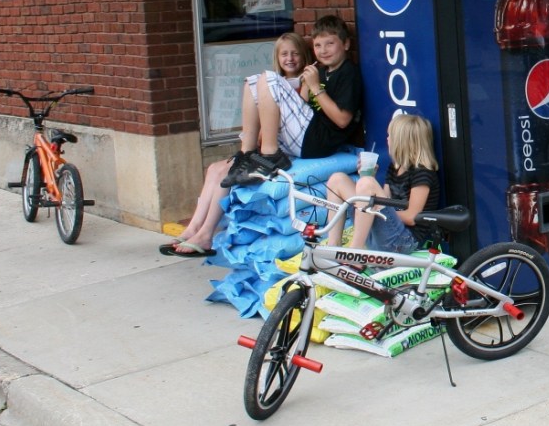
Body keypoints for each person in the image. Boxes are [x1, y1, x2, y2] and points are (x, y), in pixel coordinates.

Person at [161, 32, 308, 257]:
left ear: (304, 56)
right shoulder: (266, 86)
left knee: (224, 173)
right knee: (214, 168)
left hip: (286, 148)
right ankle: (193, 228)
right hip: (262, 146)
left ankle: (206, 234)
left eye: (295, 53)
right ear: (276, 57)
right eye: (284, 54)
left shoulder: (299, 82)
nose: (290, 58)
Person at [221, 13, 363, 187]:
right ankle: (247, 153)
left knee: (269, 78)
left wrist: (316, 88)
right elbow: (303, 106)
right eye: (318, 45)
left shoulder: (348, 72)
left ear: (346, 44)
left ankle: (270, 154)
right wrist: (306, 86)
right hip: (305, 135)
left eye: (330, 44)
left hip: (318, 141)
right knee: (252, 82)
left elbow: (342, 120)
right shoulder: (321, 71)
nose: (323, 50)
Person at [324, 112, 440, 254]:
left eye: (390, 136)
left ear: (401, 141)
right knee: (337, 180)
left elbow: (411, 217)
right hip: (383, 234)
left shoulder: (422, 172)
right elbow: (384, 199)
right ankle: (333, 246)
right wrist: (367, 179)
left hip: (404, 241)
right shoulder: (395, 167)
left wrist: (374, 205)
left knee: (367, 184)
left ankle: (355, 252)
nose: (387, 139)